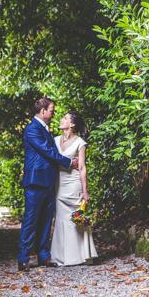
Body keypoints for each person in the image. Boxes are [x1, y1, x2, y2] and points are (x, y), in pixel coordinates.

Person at [17, 98, 79, 271]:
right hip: (35, 181)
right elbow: (48, 151)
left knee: (45, 220)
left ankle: (43, 256)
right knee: (30, 220)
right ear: (42, 111)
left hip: (49, 181)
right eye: (51, 110)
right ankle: (23, 259)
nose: (53, 114)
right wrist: (68, 162)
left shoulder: (45, 128)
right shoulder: (32, 129)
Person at [50, 109, 98, 266]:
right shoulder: (55, 140)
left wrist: (85, 190)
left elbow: (82, 167)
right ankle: (60, 257)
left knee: (75, 218)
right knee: (61, 219)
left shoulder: (80, 143)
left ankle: (80, 256)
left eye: (65, 118)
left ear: (72, 124)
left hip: (74, 183)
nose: (61, 120)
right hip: (60, 183)